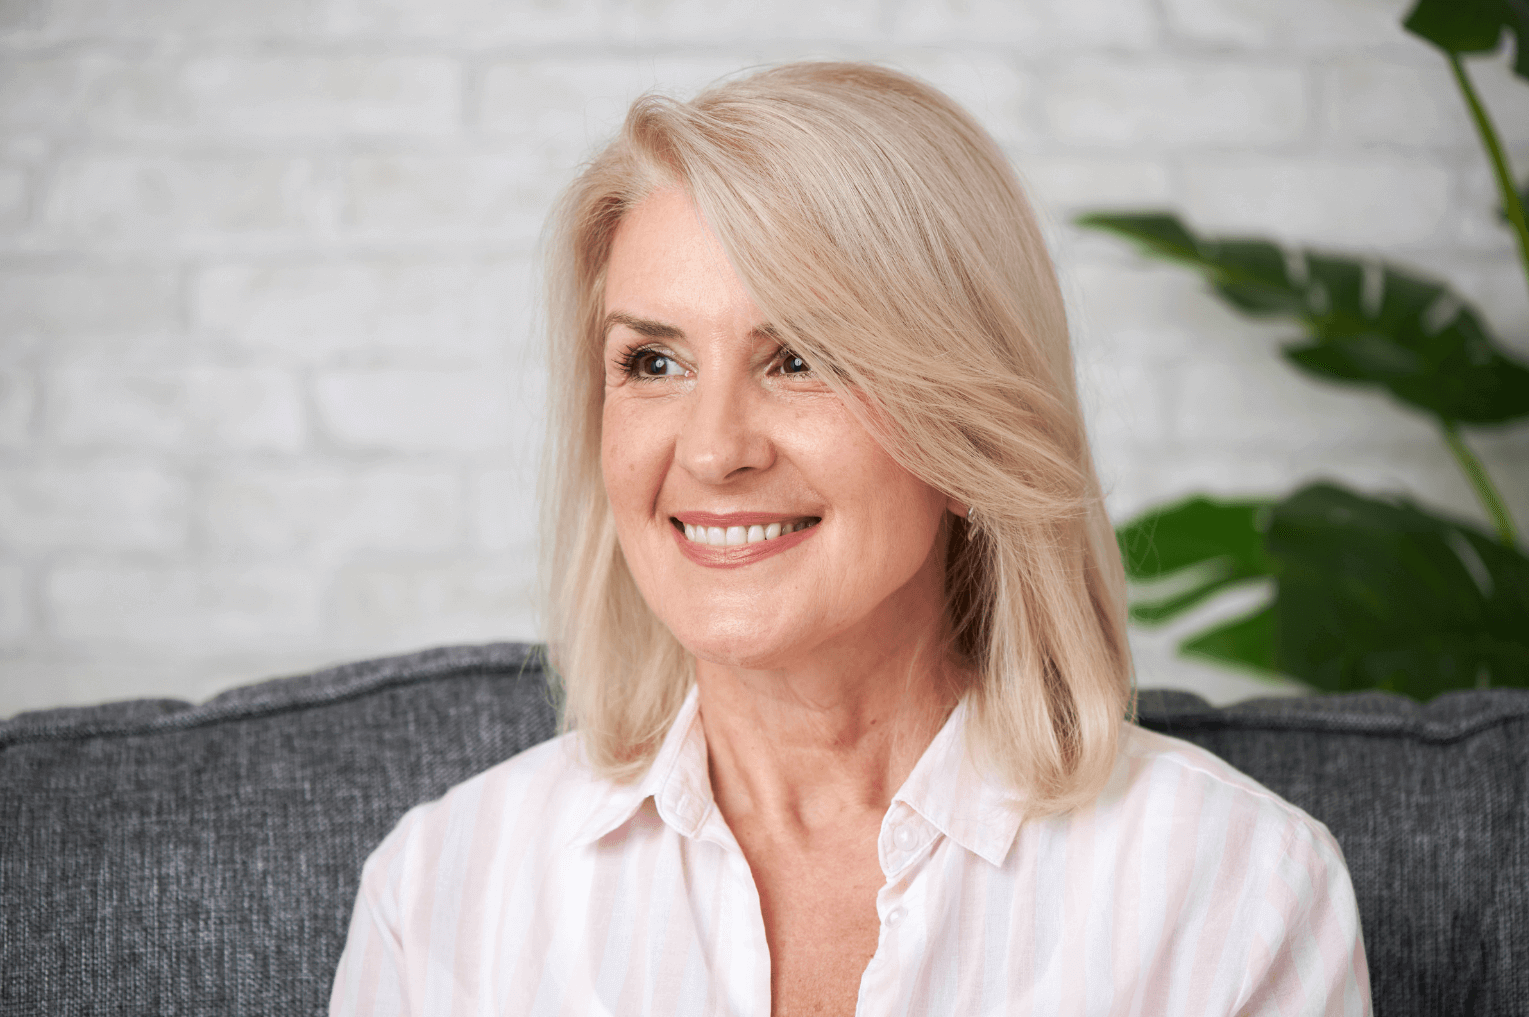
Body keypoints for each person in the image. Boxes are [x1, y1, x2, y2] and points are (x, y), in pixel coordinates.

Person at [329, 62, 1370, 1015]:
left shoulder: (1235, 890)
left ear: (968, 433)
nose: (711, 450)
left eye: (798, 358)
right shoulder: (441, 894)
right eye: (652, 363)